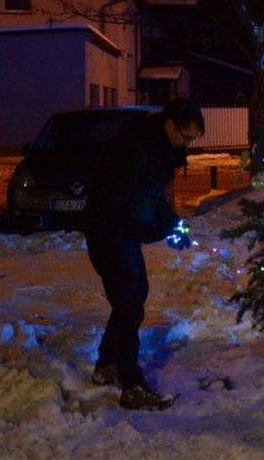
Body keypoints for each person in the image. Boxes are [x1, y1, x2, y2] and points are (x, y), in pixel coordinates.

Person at [82, 98, 205, 410]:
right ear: (170, 124)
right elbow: (115, 202)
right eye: (186, 136)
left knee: (134, 296)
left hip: (123, 233)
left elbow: (154, 198)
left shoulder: (160, 150)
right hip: (108, 231)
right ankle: (131, 384)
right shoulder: (134, 149)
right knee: (129, 303)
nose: (187, 144)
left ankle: (107, 365)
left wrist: (172, 223)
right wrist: (151, 231)